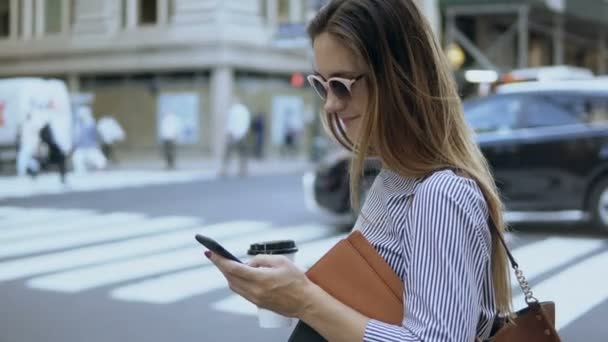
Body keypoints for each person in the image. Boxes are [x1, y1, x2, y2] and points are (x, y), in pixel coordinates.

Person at [205, 1, 511, 341]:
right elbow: (379, 300)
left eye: (341, 85)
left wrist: (306, 300)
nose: (331, 104)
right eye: (321, 85)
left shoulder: (440, 194)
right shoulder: (393, 178)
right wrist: (292, 288)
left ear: (397, 78)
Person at [219, 98, 251, 177]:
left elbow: (230, 123)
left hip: (233, 134)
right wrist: (243, 132)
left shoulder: (233, 110)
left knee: (228, 153)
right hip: (241, 134)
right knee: (243, 153)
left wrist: (228, 133)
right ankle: (243, 170)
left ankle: (224, 170)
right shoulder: (244, 110)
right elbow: (246, 123)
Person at [72, 106, 107, 174]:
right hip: (80, 148)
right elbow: (75, 138)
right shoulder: (77, 126)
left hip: (91, 147)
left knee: (100, 161)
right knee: (77, 161)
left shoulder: (91, 123)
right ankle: (81, 174)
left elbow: (96, 135)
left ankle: (100, 172)